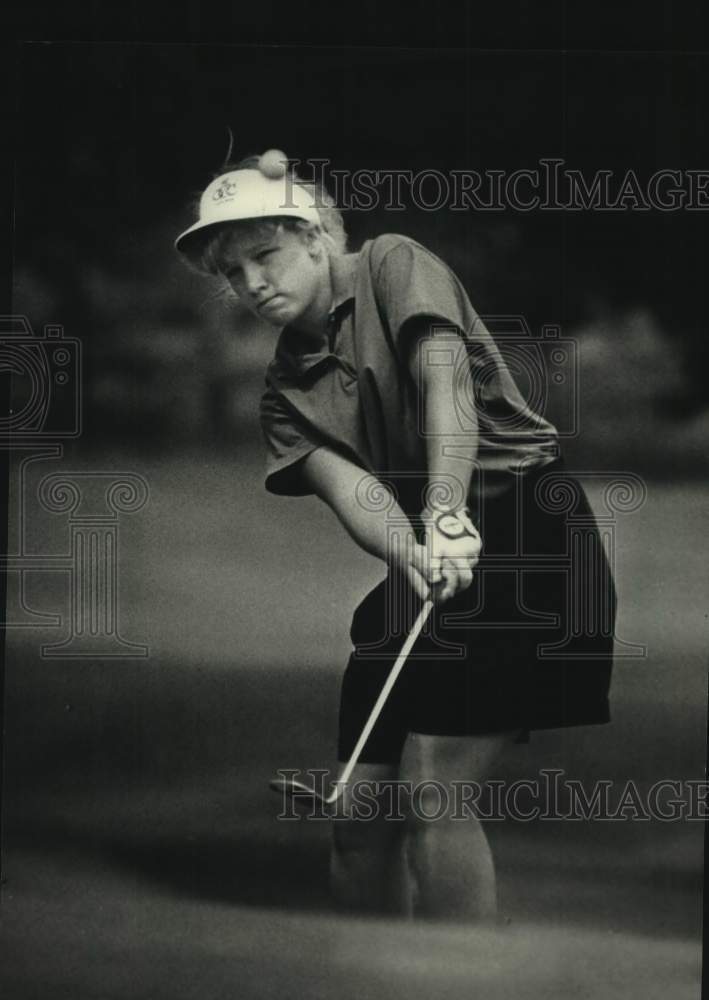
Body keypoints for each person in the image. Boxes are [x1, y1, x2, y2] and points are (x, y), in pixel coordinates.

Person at [175, 150, 616, 921]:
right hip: (425, 555)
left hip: (530, 529)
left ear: (313, 237)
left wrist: (445, 511)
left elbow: (444, 385)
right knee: (358, 814)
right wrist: (416, 549)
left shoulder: (393, 262)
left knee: (433, 792)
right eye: (232, 272)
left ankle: (441, 978)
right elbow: (357, 495)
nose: (251, 284)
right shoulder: (284, 394)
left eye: (264, 255)